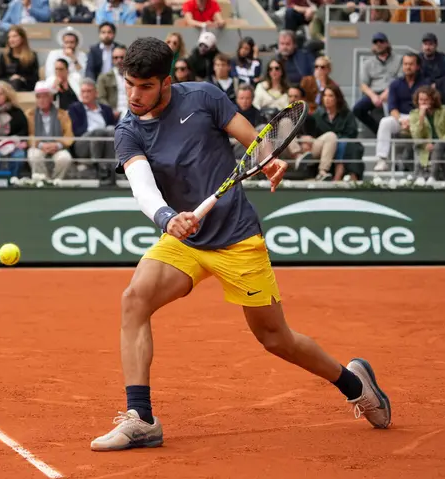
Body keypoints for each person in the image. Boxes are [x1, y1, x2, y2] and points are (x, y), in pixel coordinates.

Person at [89, 37, 391, 452]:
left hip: (236, 237)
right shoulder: (128, 130)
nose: (134, 96)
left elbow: (254, 141)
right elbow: (142, 188)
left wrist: (268, 158)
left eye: (144, 86)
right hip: (185, 240)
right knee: (134, 299)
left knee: (275, 339)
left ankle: (353, 382)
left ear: (166, 82)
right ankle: (141, 418)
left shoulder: (204, 97)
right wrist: (166, 217)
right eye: (129, 86)